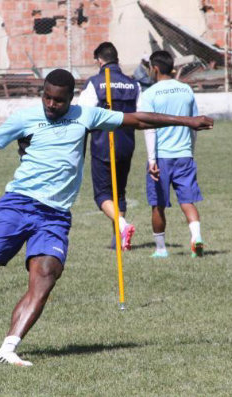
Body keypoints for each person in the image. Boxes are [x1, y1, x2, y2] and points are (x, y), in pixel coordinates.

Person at [0, 69, 213, 366]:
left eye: (58, 100)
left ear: (70, 99)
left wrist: (188, 121)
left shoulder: (85, 116)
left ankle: (8, 349)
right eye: (47, 98)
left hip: (55, 216)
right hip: (18, 204)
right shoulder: (24, 118)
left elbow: (138, 120)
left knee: (46, 276)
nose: (51, 105)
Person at [139, 50, 205, 259]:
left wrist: (151, 160)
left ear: (155, 68)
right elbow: (195, 124)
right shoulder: (186, 90)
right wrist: (190, 151)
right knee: (187, 201)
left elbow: (149, 128)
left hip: (161, 157)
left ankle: (160, 249)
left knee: (158, 204)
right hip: (184, 154)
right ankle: (196, 237)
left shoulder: (149, 94)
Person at [78, 42, 140, 251]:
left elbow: (82, 114)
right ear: (117, 59)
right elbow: (139, 113)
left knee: (102, 195)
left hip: (103, 145)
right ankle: (119, 240)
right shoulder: (133, 84)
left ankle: (122, 225)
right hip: (127, 144)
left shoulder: (95, 83)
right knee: (119, 193)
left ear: (99, 60)